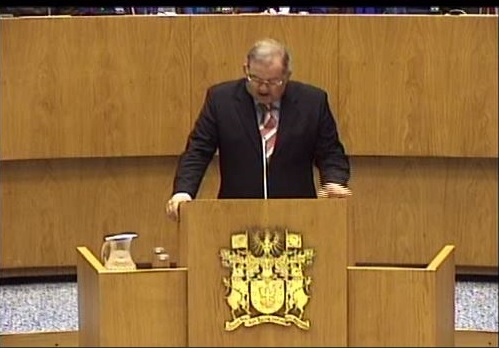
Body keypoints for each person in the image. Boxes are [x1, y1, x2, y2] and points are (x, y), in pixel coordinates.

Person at [166, 38, 351, 221]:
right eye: (255, 79)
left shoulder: (312, 102)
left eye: (272, 82)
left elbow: (330, 153)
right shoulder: (221, 100)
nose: (263, 89)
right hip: (236, 215)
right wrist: (184, 191)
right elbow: (198, 151)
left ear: (287, 75)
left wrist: (334, 182)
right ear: (245, 69)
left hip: (297, 215)